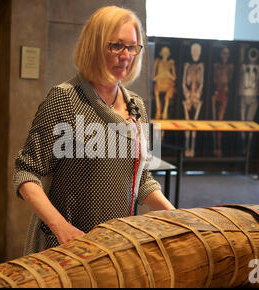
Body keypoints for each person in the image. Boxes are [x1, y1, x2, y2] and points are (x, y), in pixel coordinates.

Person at [13, 6, 175, 255]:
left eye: (132, 47)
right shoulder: (65, 99)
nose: (126, 56)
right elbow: (26, 174)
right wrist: (62, 228)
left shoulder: (137, 107)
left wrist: (175, 215)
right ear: (94, 46)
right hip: (67, 248)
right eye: (117, 46)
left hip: (118, 247)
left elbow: (141, 179)